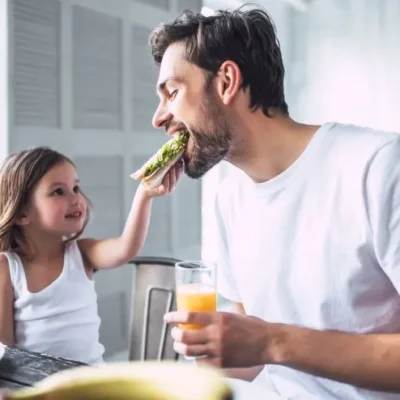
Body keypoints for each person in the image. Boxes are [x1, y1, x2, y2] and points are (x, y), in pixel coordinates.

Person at [149, 4, 400, 400]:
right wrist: (214, 346)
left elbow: (268, 341)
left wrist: (271, 342)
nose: (159, 117)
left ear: (227, 81)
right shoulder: (228, 196)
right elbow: (253, 342)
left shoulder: (379, 166)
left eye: (173, 93)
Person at [0, 147, 182, 365]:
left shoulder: (82, 253)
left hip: (91, 383)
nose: (76, 199)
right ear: (22, 213)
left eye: (75, 188)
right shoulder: (8, 268)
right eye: (58, 191)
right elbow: (6, 352)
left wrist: (144, 194)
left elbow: (126, 249)